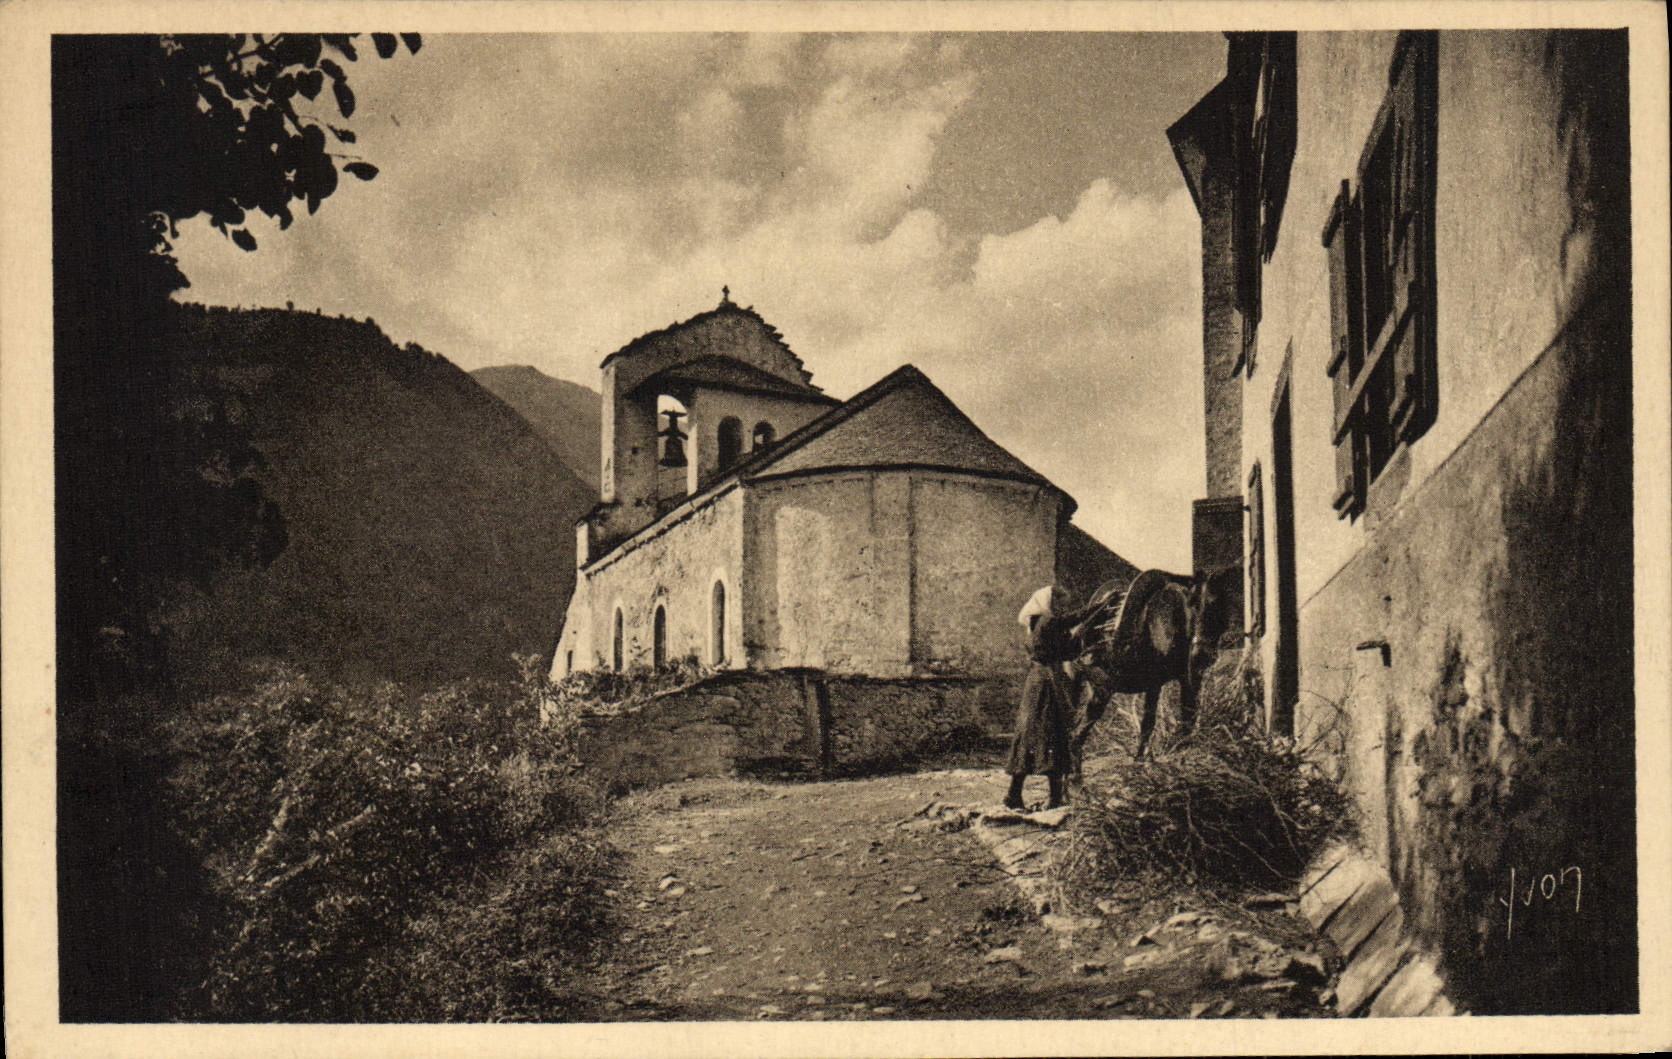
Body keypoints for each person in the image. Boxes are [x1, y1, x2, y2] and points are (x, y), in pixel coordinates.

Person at [1003, 586, 1080, 810]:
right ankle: (1051, 798)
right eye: (1058, 603)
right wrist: (1095, 611)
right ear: (1047, 602)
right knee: (1052, 732)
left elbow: (1061, 647)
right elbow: (1068, 648)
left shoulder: (1036, 623)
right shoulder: (1048, 622)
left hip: (1037, 681)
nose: (1061, 607)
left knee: (1033, 735)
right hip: (1046, 683)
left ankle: (1016, 795)